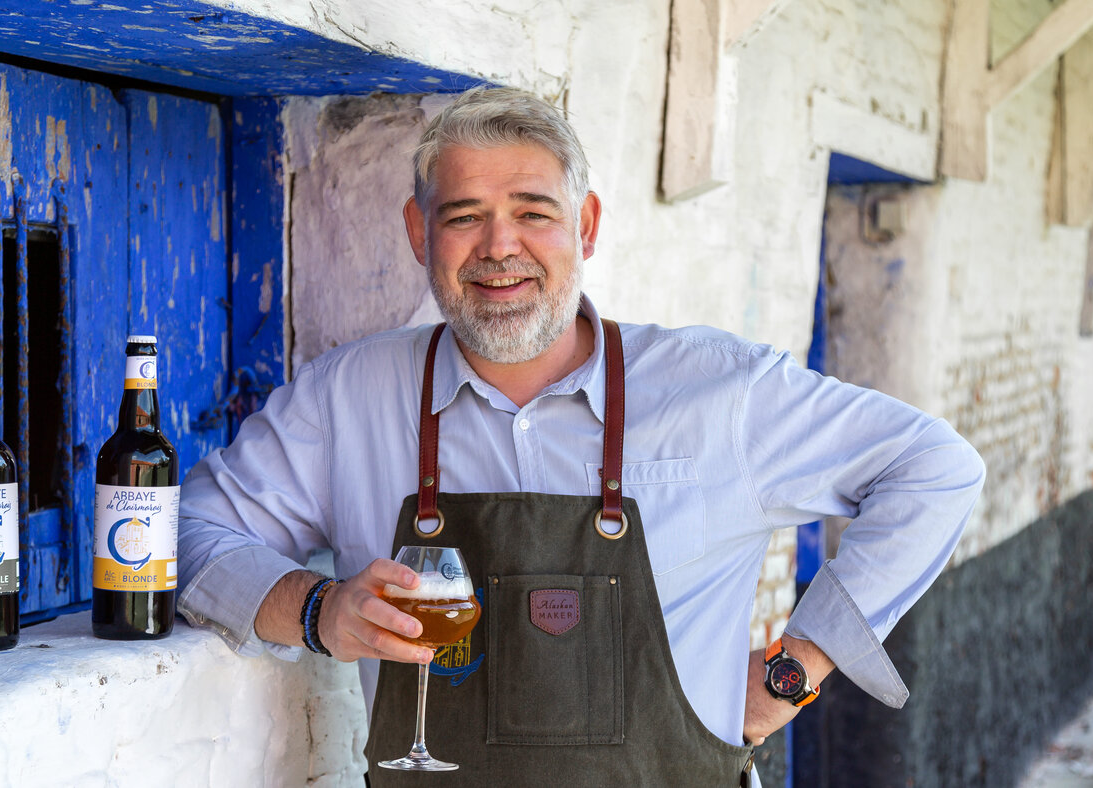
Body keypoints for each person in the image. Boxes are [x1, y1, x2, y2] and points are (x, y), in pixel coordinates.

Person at [177, 86, 985, 787]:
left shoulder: (720, 391)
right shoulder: (347, 398)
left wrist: (793, 671)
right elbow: (185, 531)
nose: (500, 247)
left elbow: (933, 468)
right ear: (420, 234)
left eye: (533, 213)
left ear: (586, 225)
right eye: (464, 217)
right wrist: (316, 609)